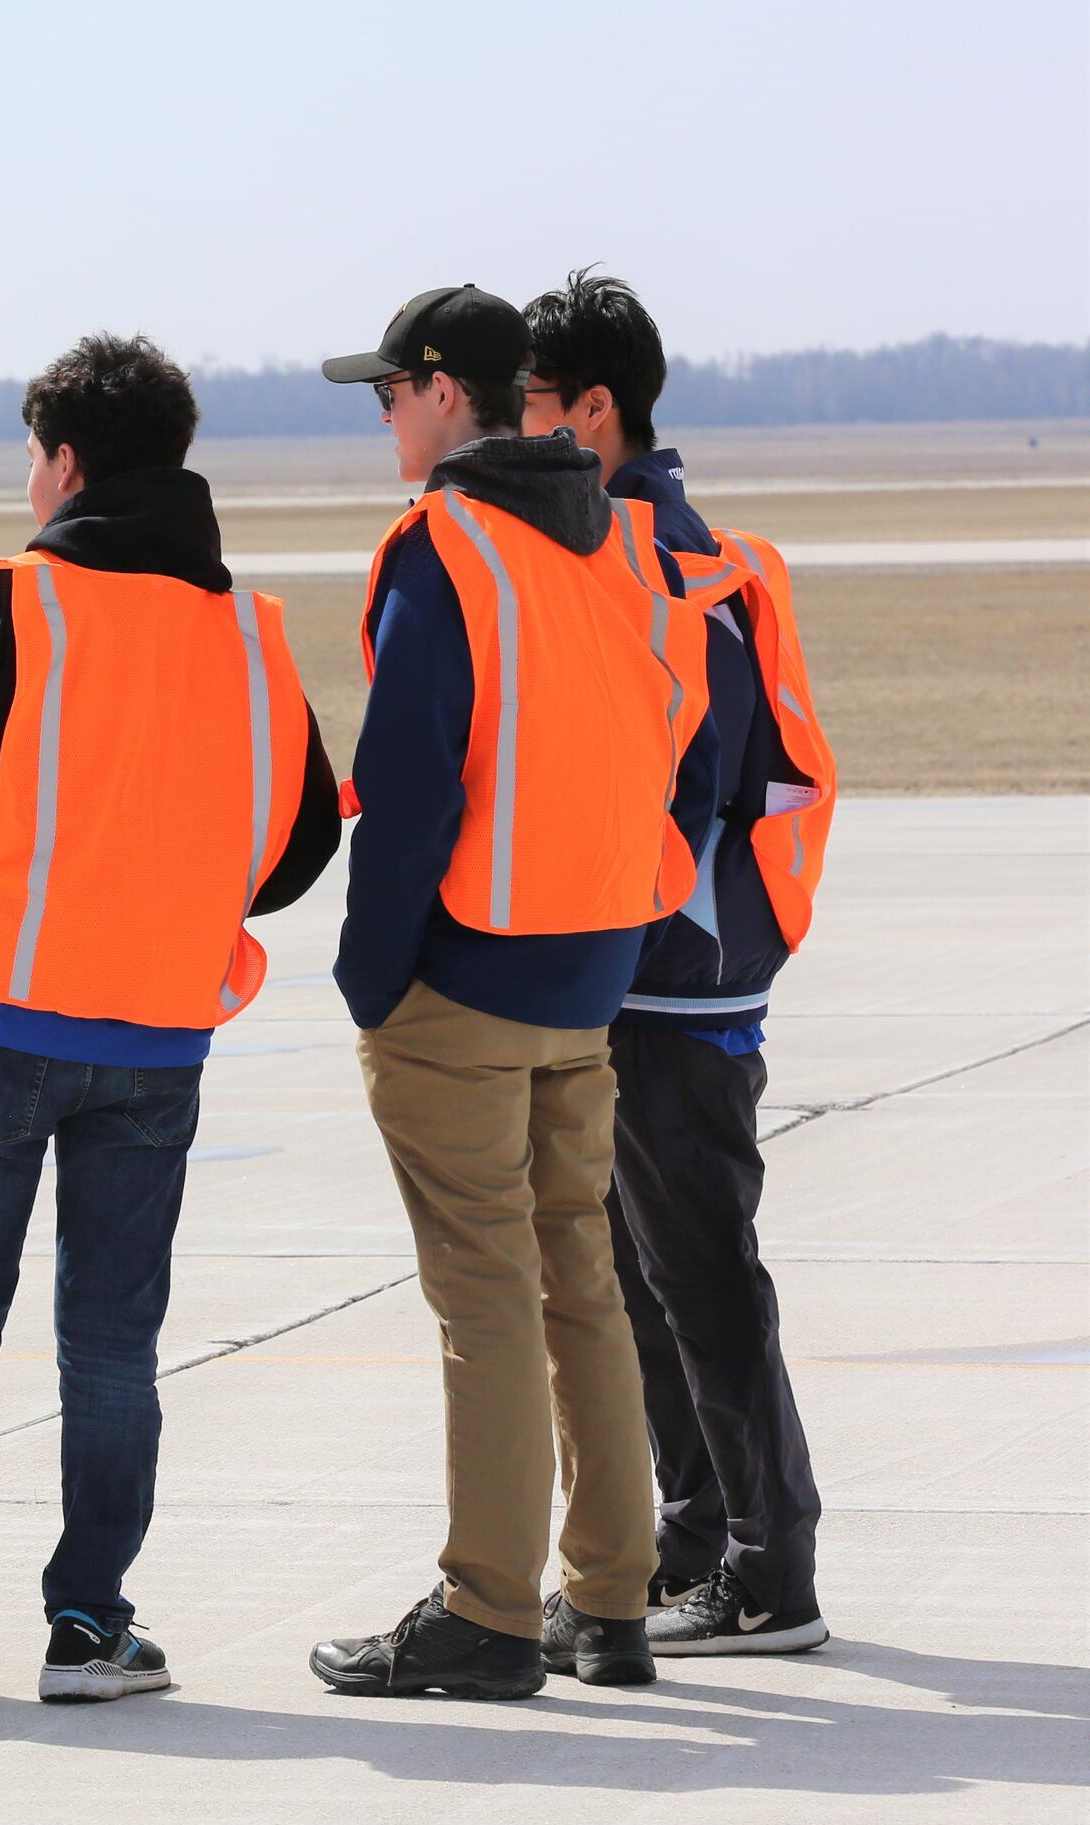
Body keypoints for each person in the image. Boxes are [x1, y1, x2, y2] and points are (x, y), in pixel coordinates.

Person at [0, 335, 341, 1703]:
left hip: (2, 1013)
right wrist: (172, 886)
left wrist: (19, 853)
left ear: (64, 462)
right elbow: (297, 848)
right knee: (110, 1339)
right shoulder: (252, 633)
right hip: (162, 1036)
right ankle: (94, 1624)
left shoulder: (12, 601)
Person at [308, 285, 721, 1699]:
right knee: (581, 1287)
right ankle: (607, 1598)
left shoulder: (448, 544)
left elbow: (411, 786)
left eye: (388, 392)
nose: (383, 420)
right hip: (589, 967)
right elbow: (679, 742)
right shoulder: (606, 541)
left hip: (468, 978)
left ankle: (487, 1608)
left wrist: (373, 977)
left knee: (483, 1293)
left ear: (442, 392)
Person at [524, 269, 838, 1661]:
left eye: (528, 405)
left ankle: (772, 1567)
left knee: (699, 1270)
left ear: (594, 409)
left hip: (673, 964)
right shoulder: (636, 538)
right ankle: (699, 1539)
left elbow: (683, 773)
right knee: (649, 1273)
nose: (512, 430)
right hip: (654, 964)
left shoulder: (652, 553)